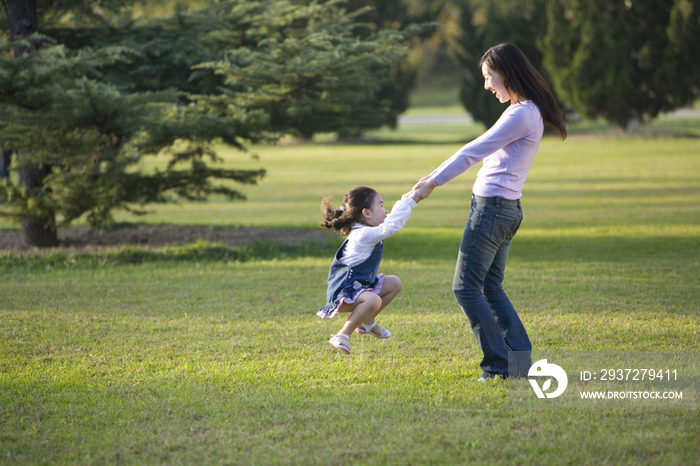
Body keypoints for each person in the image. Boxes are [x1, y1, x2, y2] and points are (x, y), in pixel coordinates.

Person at [411, 43, 567, 381]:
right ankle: (520, 365)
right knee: (491, 288)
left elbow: (474, 150)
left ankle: (498, 367)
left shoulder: (521, 113)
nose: (486, 85)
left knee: (466, 288)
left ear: (505, 72)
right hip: (502, 209)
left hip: (493, 210)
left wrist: (431, 182)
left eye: (488, 76)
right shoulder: (526, 110)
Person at [318, 187, 418, 355]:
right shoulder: (362, 234)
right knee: (373, 300)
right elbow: (391, 227)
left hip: (360, 287)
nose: (385, 211)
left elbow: (388, 226)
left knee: (394, 283)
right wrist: (407, 202)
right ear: (367, 213)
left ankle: (367, 322)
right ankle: (343, 334)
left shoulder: (365, 232)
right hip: (344, 292)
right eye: (381, 205)